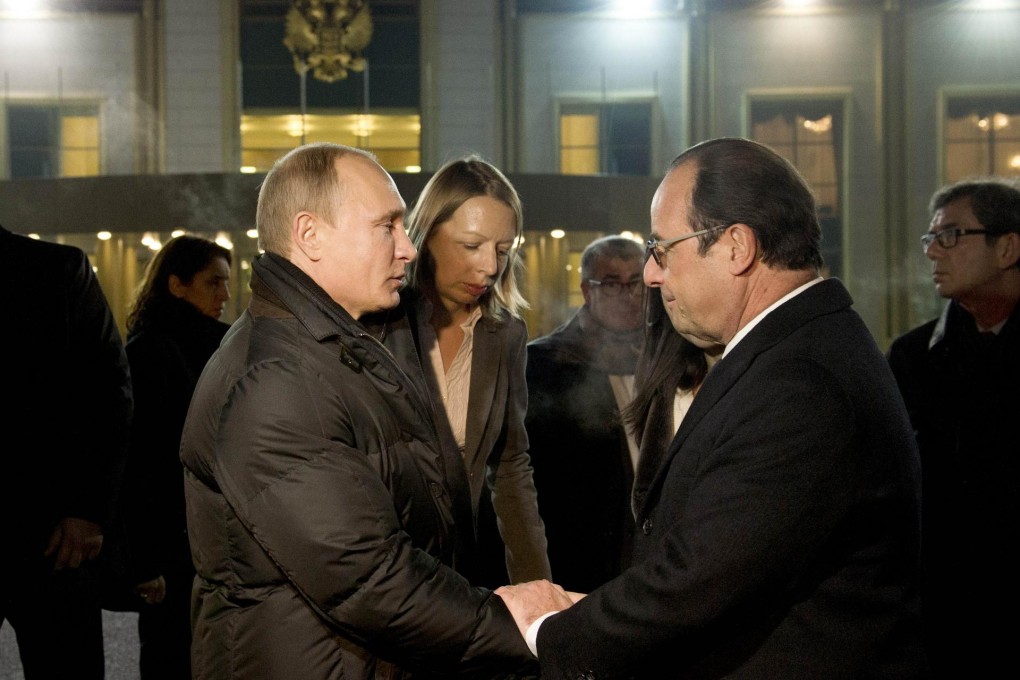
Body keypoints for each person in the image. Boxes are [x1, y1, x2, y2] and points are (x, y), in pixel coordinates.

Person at [495, 137, 927, 678]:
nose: (652, 275)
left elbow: (696, 580)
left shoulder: (801, 383)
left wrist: (545, 629)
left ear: (735, 247)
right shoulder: (796, 349)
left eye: (662, 249)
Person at [179, 143, 536, 679]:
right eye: (387, 226)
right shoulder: (276, 379)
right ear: (310, 235)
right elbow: (371, 581)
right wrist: (530, 630)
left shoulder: (341, 344)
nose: (408, 249)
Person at [369, 155, 550, 589]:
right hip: (376, 570)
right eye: (472, 246)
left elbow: (509, 468)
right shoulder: (378, 323)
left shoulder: (505, 335)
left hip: (457, 572)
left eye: (503, 251)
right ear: (425, 236)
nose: (490, 266)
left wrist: (536, 586)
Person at [886, 179, 1020, 679]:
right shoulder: (913, 358)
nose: (933, 253)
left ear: (1007, 246)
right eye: (930, 239)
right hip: (939, 615)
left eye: (951, 235)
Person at [0, 224, 133, 679]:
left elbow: (109, 396)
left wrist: (87, 510)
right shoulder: (56, 269)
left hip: (54, 533)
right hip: (55, 527)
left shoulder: (55, 270)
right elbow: (110, 393)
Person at [118, 235, 232, 679]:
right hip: (174, 542)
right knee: (172, 653)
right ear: (177, 285)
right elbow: (141, 465)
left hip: (213, 539)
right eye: (212, 283)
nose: (224, 294)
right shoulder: (148, 354)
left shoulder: (224, 347)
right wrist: (145, 562)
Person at [525, 235, 646, 592]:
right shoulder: (544, 364)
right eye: (612, 283)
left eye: (636, 282)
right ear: (587, 290)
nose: (628, 295)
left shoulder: (665, 354)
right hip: (583, 552)